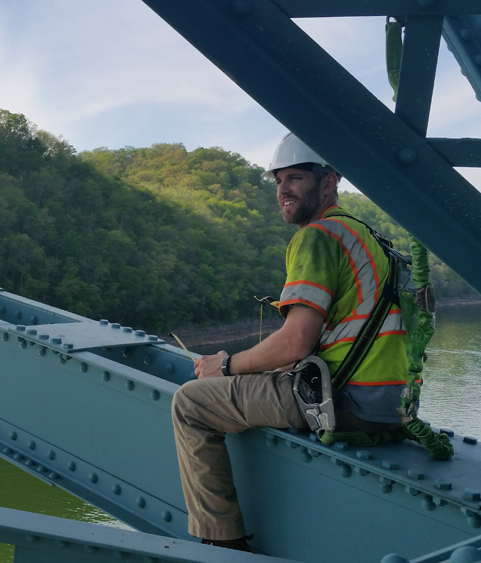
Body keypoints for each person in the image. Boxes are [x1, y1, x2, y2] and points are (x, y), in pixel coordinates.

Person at [172, 132, 410, 552]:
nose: (283, 189)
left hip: (345, 402)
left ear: (329, 182)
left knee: (191, 403)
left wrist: (224, 366)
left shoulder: (317, 237)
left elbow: (296, 343)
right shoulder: (367, 236)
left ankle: (221, 545)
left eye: (296, 178)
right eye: (278, 180)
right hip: (391, 407)